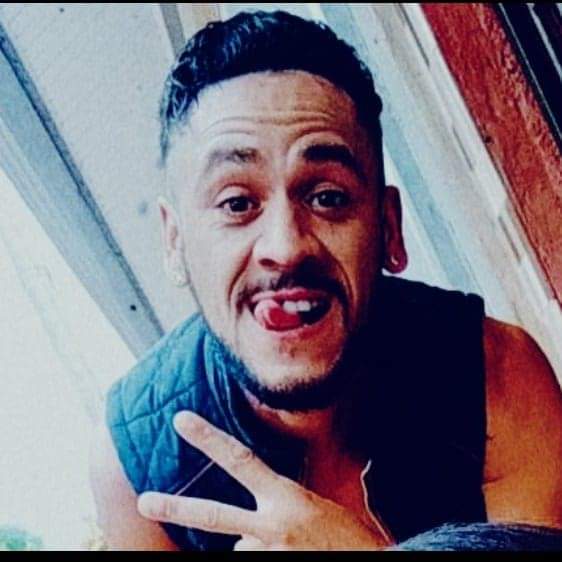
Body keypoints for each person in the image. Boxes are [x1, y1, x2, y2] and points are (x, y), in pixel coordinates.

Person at [89, 10, 562, 551]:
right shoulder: (138, 469)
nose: (286, 246)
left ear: (388, 227)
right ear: (175, 243)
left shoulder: (494, 375)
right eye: (237, 203)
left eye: (328, 197)